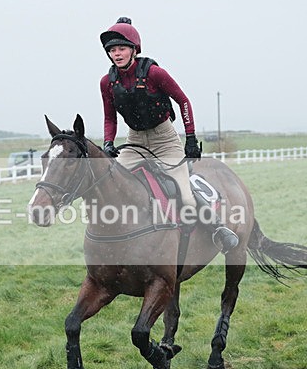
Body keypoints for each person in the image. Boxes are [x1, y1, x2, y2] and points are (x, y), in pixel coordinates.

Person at [99, 17, 239, 253]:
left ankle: (218, 229)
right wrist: (108, 143)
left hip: (165, 140)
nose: (117, 54)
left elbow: (183, 101)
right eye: (112, 50)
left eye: (121, 48)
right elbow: (110, 118)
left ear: (134, 49)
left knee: (185, 195)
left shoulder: (155, 73)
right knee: (112, 182)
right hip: (134, 142)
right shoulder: (107, 83)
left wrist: (191, 138)